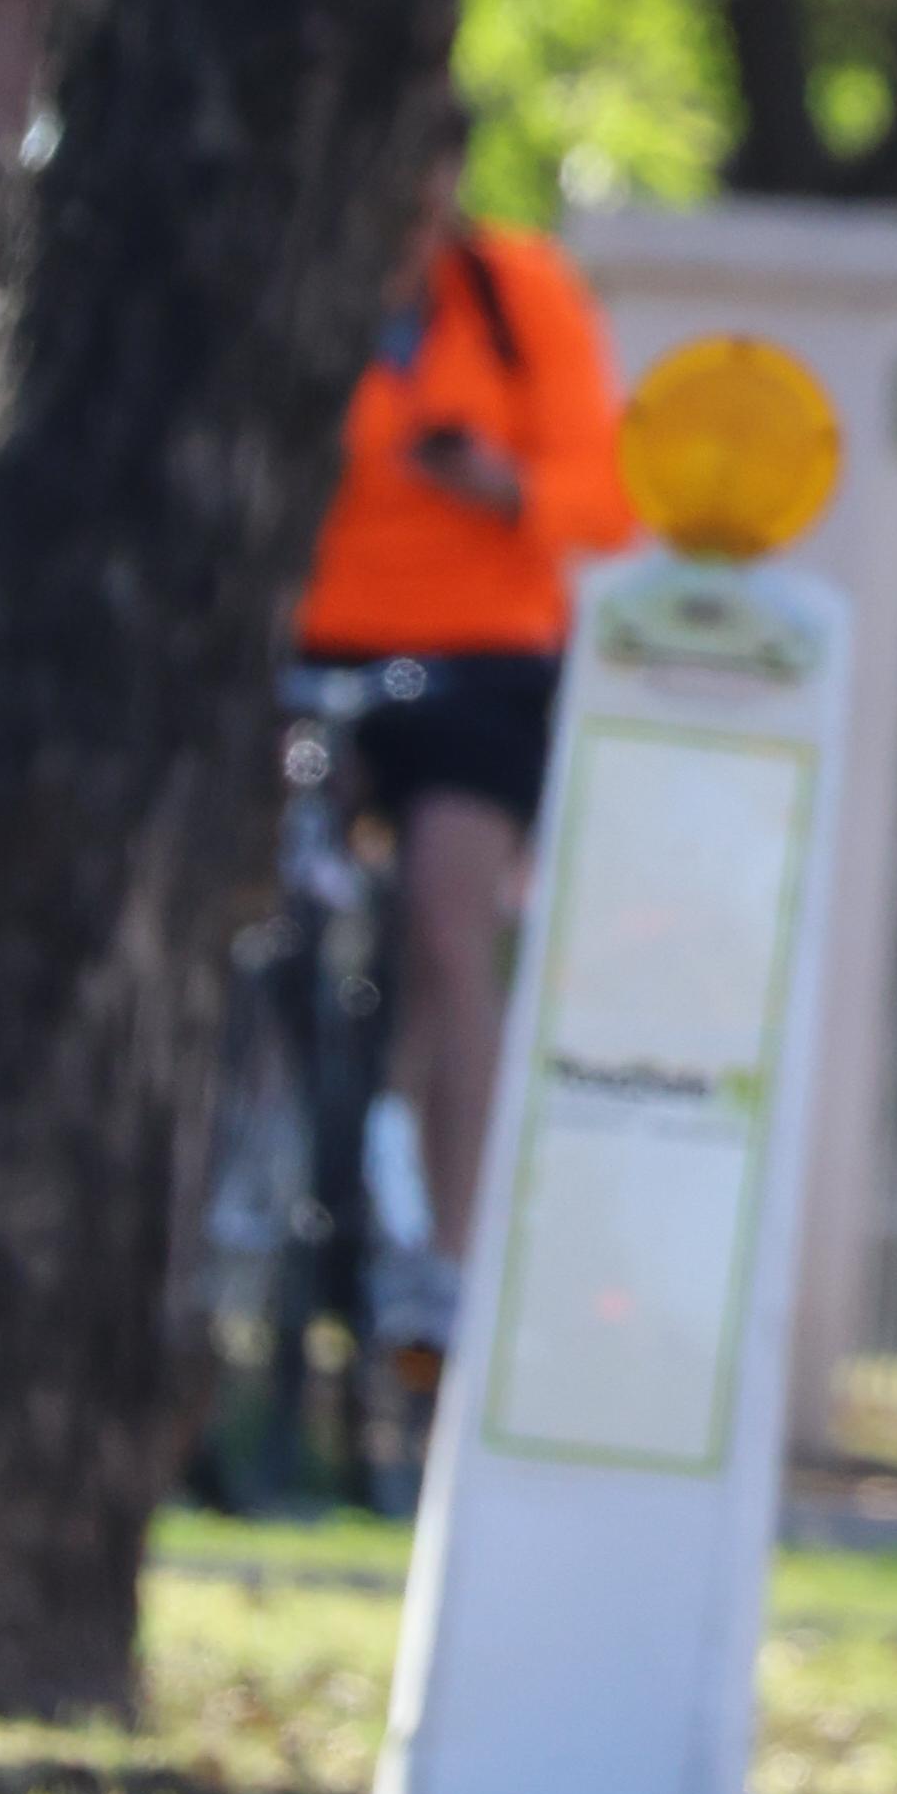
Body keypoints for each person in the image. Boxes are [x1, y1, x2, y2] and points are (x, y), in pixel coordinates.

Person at [291, 98, 633, 1310]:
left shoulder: (512, 294)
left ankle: (451, 1255)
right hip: (316, 646)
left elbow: (609, 498)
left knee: (448, 922)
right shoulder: (295, 289)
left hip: (479, 663)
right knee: (254, 910)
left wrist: (502, 488)